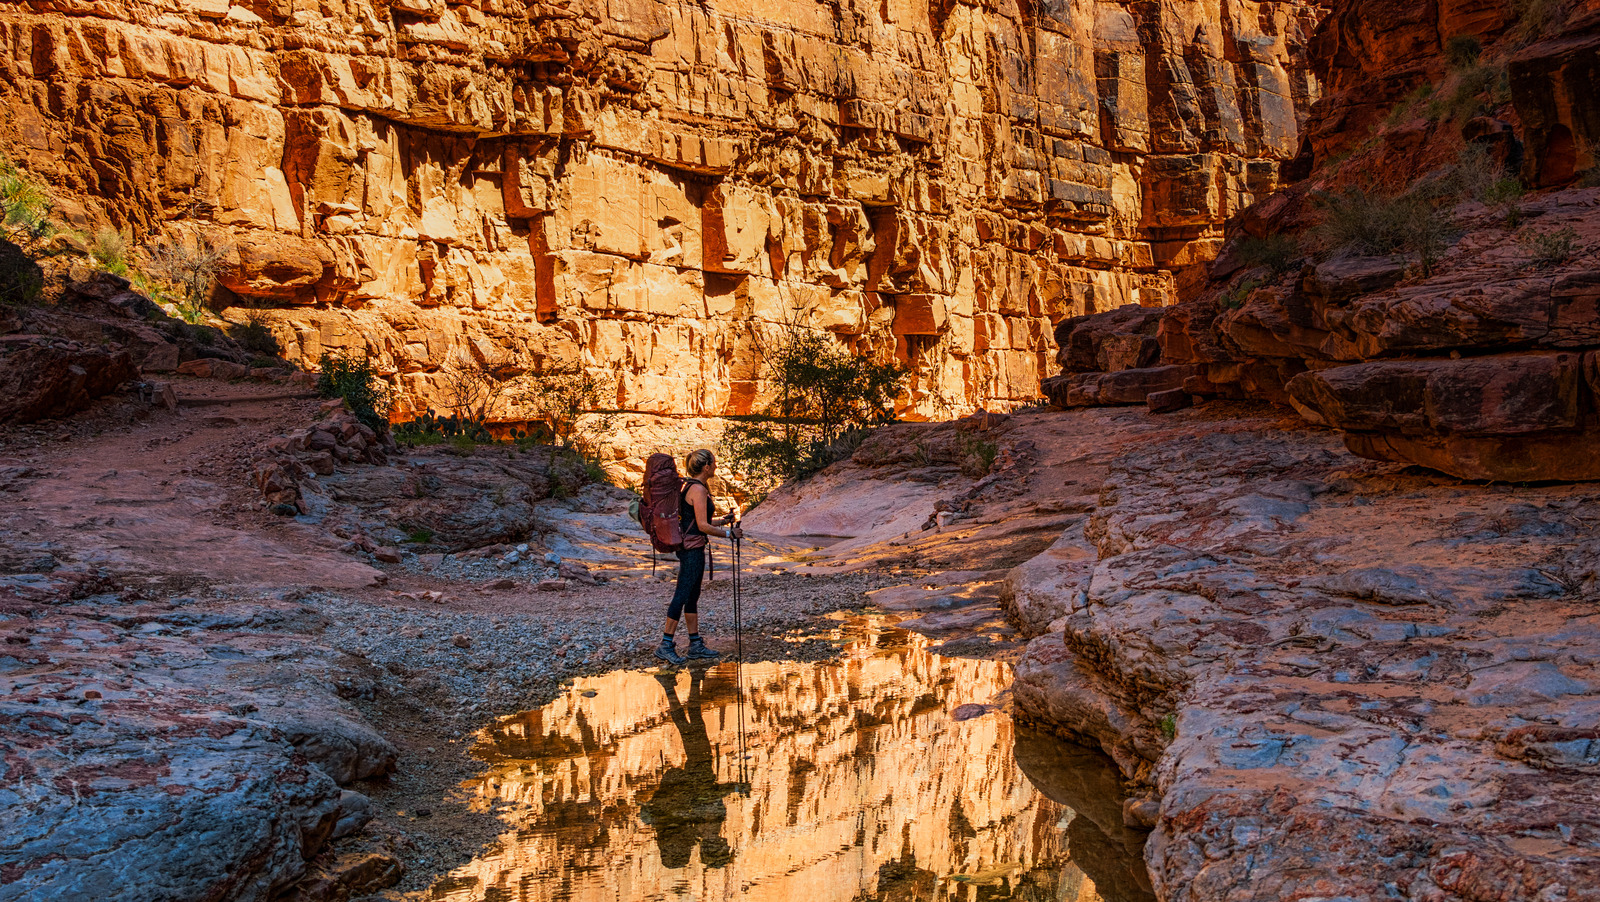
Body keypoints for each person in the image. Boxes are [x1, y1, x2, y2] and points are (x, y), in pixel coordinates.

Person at [656, 448, 741, 666]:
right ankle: (665, 644)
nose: (716, 466)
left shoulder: (692, 487)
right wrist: (729, 533)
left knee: (692, 596)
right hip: (692, 549)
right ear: (706, 467)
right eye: (714, 463)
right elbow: (702, 525)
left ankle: (695, 645)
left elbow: (698, 521)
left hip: (691, 547)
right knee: (683, 594)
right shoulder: (699, 490)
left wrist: (723, 521)